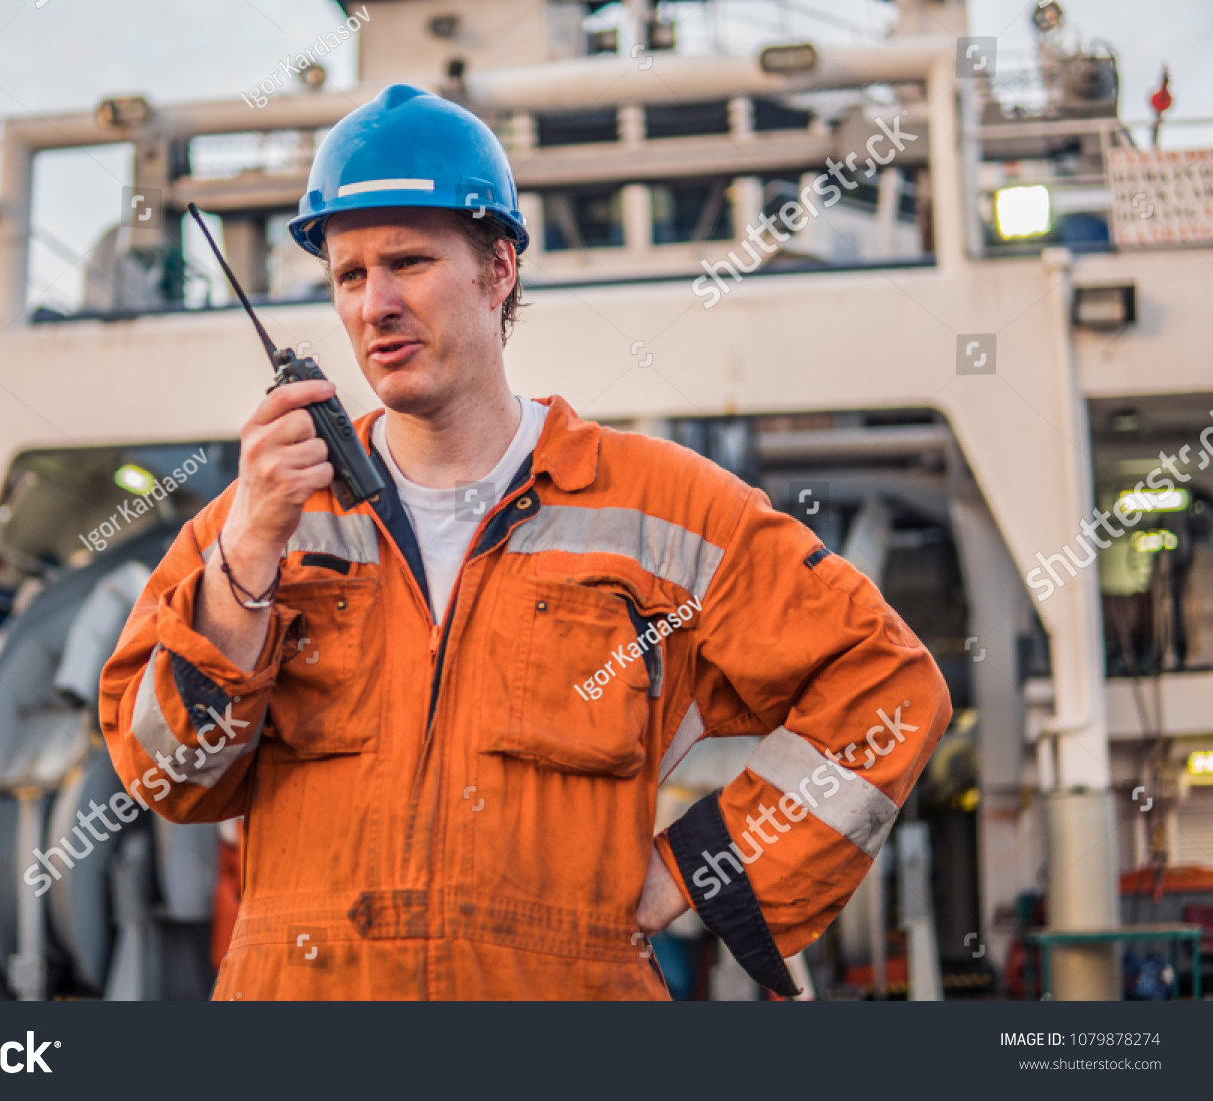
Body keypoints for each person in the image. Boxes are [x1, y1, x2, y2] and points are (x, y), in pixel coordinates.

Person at [100, 84, 950, 1000]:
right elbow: (166, 774)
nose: (374, 304)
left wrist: (699, 869)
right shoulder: (258, 521)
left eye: (409, 262)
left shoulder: (666, 511)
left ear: (500, 267)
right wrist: (247, 556)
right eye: (349, 276)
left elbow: (886, 687)